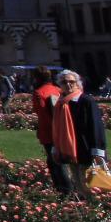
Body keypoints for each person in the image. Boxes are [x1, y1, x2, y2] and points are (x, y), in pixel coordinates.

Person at [51, 69, 107, 197]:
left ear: (77, 83)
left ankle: (96, 206)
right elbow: (56, 129)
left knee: (91, 186)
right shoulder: (61, 103)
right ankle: (87, 206)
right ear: (60, 85)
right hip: (71, 152)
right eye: (64, 82)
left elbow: (96, 126)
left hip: (86, 150)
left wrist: (97, 151)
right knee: (79, 186)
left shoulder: (86, 101)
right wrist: (56, 148)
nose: (68, 84)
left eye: (71, 81)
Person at [31, 65, 71, 194]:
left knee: (56, 162)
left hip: (49, 133)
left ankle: (65, 190)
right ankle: (64, 188)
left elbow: (42, 114)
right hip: (63, 130)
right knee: (58, 161)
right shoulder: (58, 90)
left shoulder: (39, 93)